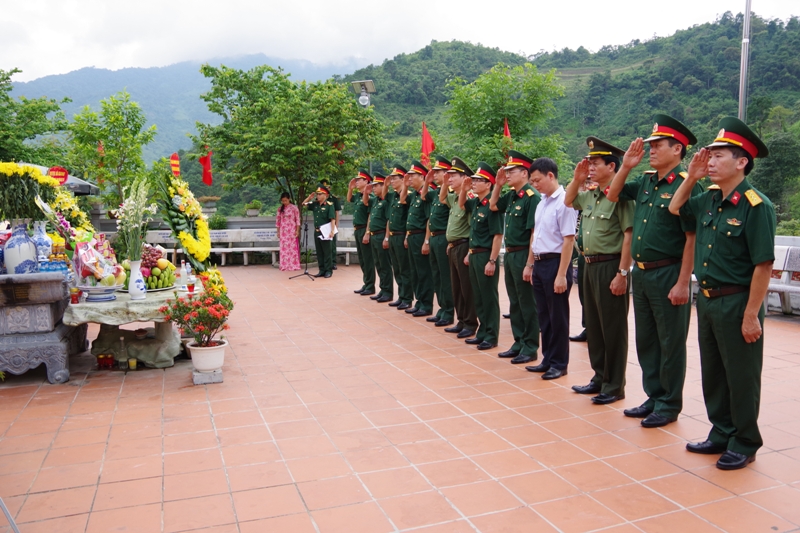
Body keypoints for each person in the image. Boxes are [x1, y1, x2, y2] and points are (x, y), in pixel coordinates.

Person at [670, 117, 775, 470]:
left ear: (741, 161)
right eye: (709, 156)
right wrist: (694, 178)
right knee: (714, 371)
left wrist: (751, 314)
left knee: (741, 375)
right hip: (710, 299)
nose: (710, 161)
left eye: (718, 156)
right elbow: (675, 207)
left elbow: (763, 265)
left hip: (737, 301)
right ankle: (721, 431)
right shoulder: (710, 198)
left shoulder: (756, 205)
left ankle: (745, 441)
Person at [606, 115, 702, 428]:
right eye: (650, 145)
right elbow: (613, 193)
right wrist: (626, 166)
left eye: (658, 145)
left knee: (670, 341)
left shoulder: (688, 184)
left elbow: (691, 238)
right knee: (647, 339)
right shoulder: (647, 180)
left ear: (677, 149)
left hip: (669, 272)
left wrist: (683, 282)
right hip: (643, 274)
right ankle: (654, 395)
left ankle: (669, 403)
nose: (651, 150)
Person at [564, 138, 634, 405]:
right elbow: (569, 200)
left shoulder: (621, 196)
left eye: (595, 163)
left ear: (612, 166)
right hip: (588, 266)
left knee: (612, 327)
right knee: (593, 325)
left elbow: (628, 236)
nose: (590, 167)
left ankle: (615, 385)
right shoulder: (591, 194)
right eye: (589, 163)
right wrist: (577, 178)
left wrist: (622, 273)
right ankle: (599, 376)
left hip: (610, 266)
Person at [525, 158, 578, 380]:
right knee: (544, 315)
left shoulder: (565, 202)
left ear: (550, 175)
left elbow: (568, 240)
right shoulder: (542, 203)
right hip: (539, 263)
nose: (535, 185)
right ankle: (547, 358)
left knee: (558, 317)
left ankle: (559, 363)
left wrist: (561, 275)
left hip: (556, 263)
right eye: (532, 182)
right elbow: (535, 235)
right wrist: (530, 264)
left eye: (537, 180)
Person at [489, 150, 540, 364]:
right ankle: (518, 341)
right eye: (507, 171)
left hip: (522, 254)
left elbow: (533, 234)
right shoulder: (511, 195)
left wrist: (530, 263)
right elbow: (492, 206)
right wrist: (498, 185)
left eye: (512, 171)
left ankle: (530, 346)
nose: (507, 174)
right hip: (509, 255)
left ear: (525, 174)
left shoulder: (531, 197)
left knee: (527, 302)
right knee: (515, 301)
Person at [460, 163, 504, 350]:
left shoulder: (491, 207)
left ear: (489, 184)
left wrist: (492, 260)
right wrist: (464, 188)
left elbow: (497, 235)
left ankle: (491, 335)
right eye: (474, 180)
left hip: (486, 255)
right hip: (475, 254)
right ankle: (483, 331)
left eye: (479, 181)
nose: (475, 183)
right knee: (478, 295)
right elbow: (461, 204)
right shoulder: (476, 203)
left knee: (488, 297)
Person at [442, 158, 479, 339]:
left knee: (466, 288)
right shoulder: (455, 198)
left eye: (453, 176)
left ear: (464, 178)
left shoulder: (470, 198)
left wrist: (471, 251)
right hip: (454, 247)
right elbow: (442, 197)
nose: (449, 179)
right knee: (456, 287)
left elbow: (473, 227)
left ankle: (471, 323)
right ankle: (462, 320)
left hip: (464, 247)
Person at [423, 156, 455, 327]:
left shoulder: (450, 192)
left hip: (443, 237)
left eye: (438, 172)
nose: (434, 175)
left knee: (445, 276)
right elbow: (423, 196)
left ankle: (449, 311)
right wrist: (427, 182)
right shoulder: (436, 193)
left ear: (447, 174)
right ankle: (442, 308)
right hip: (434, 237)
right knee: (436, 275)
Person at [402, 161, 435, 317]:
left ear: (422, 177)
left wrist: (426, 241)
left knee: (423, 272)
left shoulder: (426, 195)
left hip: (422, 235)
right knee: (415, 271)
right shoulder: (414, 194)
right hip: (412, 236)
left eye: (412, 176)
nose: (409, 178)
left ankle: (426, 304)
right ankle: (419, 301)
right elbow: (402, 199)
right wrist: (405, 184)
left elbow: (429, 219)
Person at [386, 165, 414, 310]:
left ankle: (407, 298)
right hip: (393, 236)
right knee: (396, 268)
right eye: (391, 179)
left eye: (394, 179)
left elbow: (409, 218)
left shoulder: (407, 196)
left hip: (402, 235)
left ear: (403, 179)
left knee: (404, 268)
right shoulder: (393, 196)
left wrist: (407, 237)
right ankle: (401, 296)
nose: (391, 181)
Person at [364, 173, 394, 303]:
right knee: (378, 265)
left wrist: (386, 238)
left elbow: (388, 220)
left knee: (385, 265)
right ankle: (382, 289)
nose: (374, 188)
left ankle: (388, 292)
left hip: (382, 234)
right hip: (374, 235)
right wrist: (366, 192)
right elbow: (365, 202)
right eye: (373, 186)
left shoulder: (386, 201)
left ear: (383, 186)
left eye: (376, 186)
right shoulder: (375, 200)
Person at [348, 169, 376, 295]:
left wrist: (367, 232)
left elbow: (370, 215)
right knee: (362, 259)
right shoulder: (359, 196)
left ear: (366, 181)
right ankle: (366, 283)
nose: (357, 182)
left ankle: (370, 285)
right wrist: (350, 188)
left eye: (359, 180)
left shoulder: (370, 196)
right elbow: (349, 199)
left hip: (364, 229)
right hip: (357, 229)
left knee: (368, 259)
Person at [302, 185, 337, 278]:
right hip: (317, 231)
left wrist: (332, 231)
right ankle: (321, 270)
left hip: (326, 231)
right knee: (319, 252)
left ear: (325, 195)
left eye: (320, 194)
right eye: (317, 194)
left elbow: (332, 219)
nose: (318, 196)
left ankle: (328, 271)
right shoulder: (315, 204)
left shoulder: (329, 205)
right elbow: (303, 204)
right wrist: (309, 198)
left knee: (327, 252)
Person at [319, 178, 342, 271]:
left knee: (332, 245)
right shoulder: (319, 199)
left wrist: (336, 226)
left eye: (328, 186)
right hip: (321, 225)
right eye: (325, 187)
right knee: (322, 246)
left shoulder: (334, 199)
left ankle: (333, 262)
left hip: (331, 225)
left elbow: (337, 213)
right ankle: (324, 265)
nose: (327, 188)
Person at [276, 192, 301, 271]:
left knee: (292, 248)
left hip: (292, 230)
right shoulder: (280, 209)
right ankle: (284, 265)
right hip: (284, 231)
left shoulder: (294, 208)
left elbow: (297, 220)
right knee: (284, 249)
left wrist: (297, 230)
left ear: (289, 199)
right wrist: (278, 231)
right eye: (283, 201)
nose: (284, 202)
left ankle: (294, 265)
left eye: (286, 200)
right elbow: (278, 221)